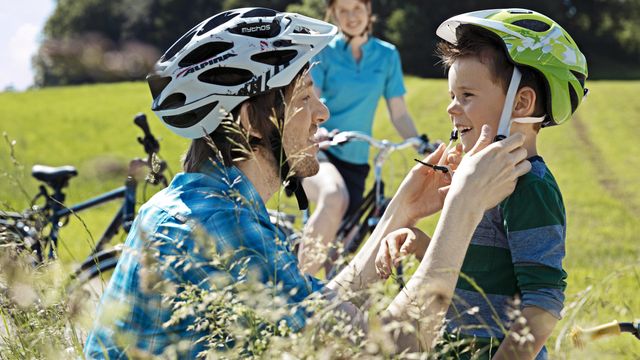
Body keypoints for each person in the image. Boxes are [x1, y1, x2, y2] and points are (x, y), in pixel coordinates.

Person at [83, 8, 531, 359]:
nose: (322, 113)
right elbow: (392, 349)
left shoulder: (208, 206)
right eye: (303, 97)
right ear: (248, 121)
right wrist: (463, 209)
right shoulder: (218, 227)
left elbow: (307, 315)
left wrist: (401, 213)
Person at [375, 8, 588, 359]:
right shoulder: (476, 181)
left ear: (521, 103)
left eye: (467, 96)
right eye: (451, 96)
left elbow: (542, 304)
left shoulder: (530, 188)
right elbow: (476, 266)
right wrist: (418, 242)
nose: (452, 109)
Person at [299, 0, 427, 275]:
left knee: (340, 254)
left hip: (356, 160)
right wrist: (317, 130)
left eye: (357, 8)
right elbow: (311, 98)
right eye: (342, 10)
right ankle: (297, 294)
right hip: (320, 150)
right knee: (334, 196)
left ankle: (330, 312)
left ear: (369, 11)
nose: (351, 16)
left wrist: (421, 142)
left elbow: (399, 112)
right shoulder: (324, 51)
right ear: (332, 14)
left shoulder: (387, 55)